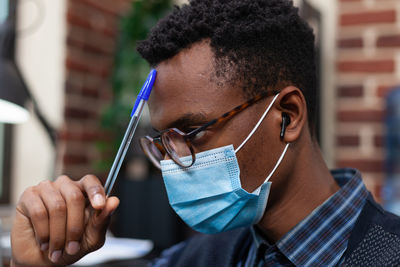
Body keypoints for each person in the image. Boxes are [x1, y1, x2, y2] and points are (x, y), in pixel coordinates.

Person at [10, 0, 400, 266]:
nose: (173, 164)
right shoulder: (200, 258)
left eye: (192, 132)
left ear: (288, 115)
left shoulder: (388, 253)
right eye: (163, 141)